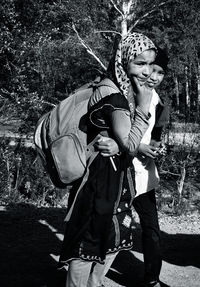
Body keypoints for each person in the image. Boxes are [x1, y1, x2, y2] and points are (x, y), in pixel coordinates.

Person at [58, 32, 157, 287]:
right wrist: (144, 106)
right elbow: (130, 142)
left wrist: (119, 143)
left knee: (113, 239)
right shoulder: (114, 95)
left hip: (117, 180)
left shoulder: (123, 91)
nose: (147, 71)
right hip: (100, 182)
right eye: (139, 63)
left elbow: (123, 141)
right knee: (88, 243)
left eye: (150, 64)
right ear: (124, 60)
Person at [94, 46, 169, 287]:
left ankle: (152, 278)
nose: (153, 76)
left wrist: (157, 147)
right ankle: (92, 276)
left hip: (144, 176)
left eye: (159, 72)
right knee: (111, 225)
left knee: (151, 229)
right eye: (148, 68)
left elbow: (155, 135)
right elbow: (118, 138)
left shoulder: (157, 101)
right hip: (119, 172)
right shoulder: (123, 94)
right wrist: (139, 148)